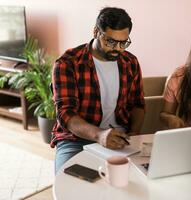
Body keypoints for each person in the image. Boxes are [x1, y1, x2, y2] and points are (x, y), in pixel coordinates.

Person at [51, 7, 145, 174]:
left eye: (123, 42)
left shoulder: (130, 62)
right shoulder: (68, 63)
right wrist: (100, 135)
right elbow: (66, 114)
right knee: (69, 181)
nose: (118, 48)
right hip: (76, 140)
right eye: (110, 41)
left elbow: (137, 104)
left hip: (120, 137)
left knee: (142, 178)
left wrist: (134, 133)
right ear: (96, 32)